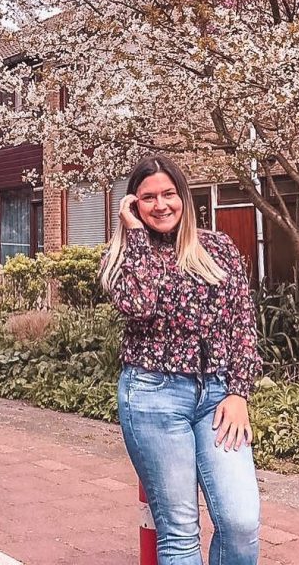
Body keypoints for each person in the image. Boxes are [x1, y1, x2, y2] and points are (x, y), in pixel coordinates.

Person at [100, 154, 261, 565]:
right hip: (152, 398)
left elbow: (242, 324)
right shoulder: (121, 258)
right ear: (133, 205)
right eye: (147, 197)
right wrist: (135, 236)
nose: (161, 205)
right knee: (179, 529)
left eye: (169, 193)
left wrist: (239, 391)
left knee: (240, 522)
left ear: (184, 197)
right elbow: (139, 304)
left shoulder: (217, 248)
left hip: (218, 398)